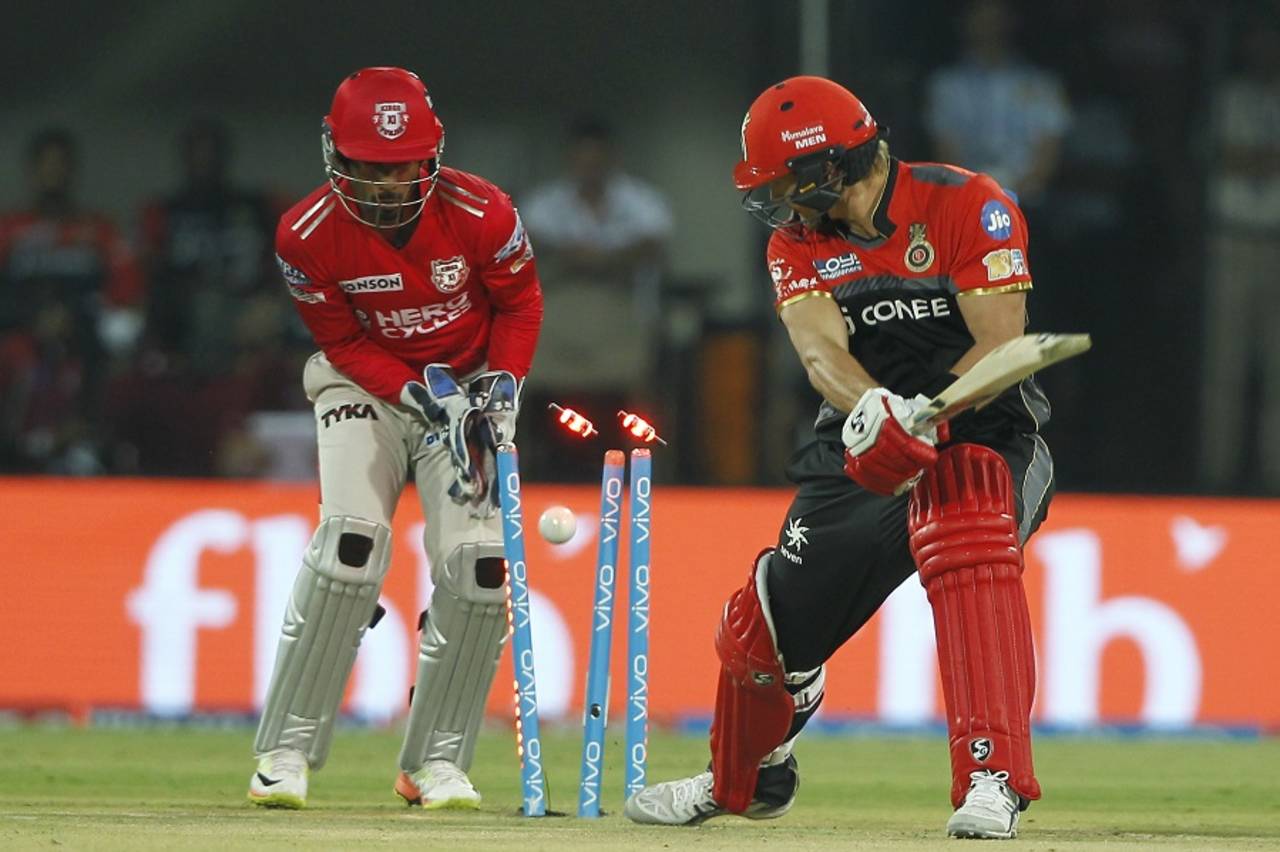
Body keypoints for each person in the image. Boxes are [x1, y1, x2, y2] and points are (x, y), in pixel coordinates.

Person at [625, 77, 1054, 840]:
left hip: (985, 430)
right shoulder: (796, 242)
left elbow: (1004, 344)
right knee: (763, 626)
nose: (780, 202)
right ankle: (746, 778)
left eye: (788, 182)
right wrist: (875, 410)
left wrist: (928, 413)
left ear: (831, 166)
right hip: (864, 436)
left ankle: (992, 777)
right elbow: (821, 354)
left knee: (968, 527)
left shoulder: (968, 204)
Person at [247, 67, 542, 810]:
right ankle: (283, 754)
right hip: (364, 387)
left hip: (468, 389)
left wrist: (500, 389)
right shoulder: (305, 234)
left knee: (480, 568)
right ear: (336, 160)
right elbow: (342, 341)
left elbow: (520, 303)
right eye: (368, 169)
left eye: (400, 167)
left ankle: (435, 762)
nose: (384, 185)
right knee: (350, 543)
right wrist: (415, 393)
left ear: (430, 157)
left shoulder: (484, 212)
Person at [519, 116, 672, 479]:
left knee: (641, 390)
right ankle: (519, 475)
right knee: (519, 383)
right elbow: (531, 244)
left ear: (611, 159)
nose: (589, 168)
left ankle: (647, 478)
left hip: (618, 322)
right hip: (558, 322)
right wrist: (602, 258)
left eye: (597, 159)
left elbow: (652, 245)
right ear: (571, 159)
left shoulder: (643, 200)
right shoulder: (543, 202)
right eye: (582, 159)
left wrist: (584, 257)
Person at [0, 128, 141, 474]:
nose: (53, 174)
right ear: (32, 171)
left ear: (71, 171)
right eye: (45, 166)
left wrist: (81, 322)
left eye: (59, 166)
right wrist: (31, 321)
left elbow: (127, 294)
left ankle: (89, 447)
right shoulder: (9, 229)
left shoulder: (98, 230)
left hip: (86, 343)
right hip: (19, 341)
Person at [1200, 17, 1280, 494]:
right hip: (1231, 238)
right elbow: (1219, 157)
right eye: (1258, 39)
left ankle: (1274, 479)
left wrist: (1250, 156)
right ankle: (1214, 477)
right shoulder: (1226, 97)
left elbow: (1240, 157)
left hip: (1275, 239)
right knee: (1224, 366)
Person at [924, 0, 1070, 205]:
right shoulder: (947, 86)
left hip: (1029, 206)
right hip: (967, 203)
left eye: (996, 14)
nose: (989, 23)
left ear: (1012, 19)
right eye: (982, 13)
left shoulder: (1042, 84)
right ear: (966, 20)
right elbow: (947, 152)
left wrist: (1014, 195)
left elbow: (1048, 154)